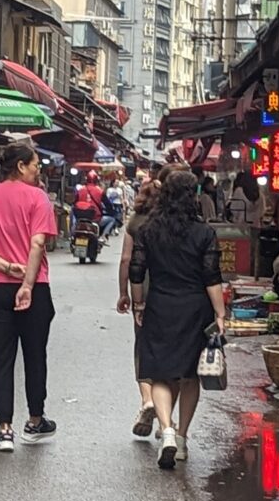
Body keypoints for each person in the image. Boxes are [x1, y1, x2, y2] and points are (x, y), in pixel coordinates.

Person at [129, 171, 227, 470]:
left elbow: (136, 270)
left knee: (160, 374)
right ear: (192, 195)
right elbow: (212, 277)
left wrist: (138, 304)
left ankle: (167, 430)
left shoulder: (148, 230)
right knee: (189, 375)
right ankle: (181, 438)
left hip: (160, 304)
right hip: (195, 308)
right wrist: (220, 314)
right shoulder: (204, 232)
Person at [0, 143, 59, 453]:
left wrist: (5, 267)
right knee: (35, 356)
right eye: (35, 164)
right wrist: (27, 285)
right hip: (34, 286)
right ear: (21, 166)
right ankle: (35, 422)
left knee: (1, 359)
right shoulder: (38, 198)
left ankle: (4, 429)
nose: (38, 170)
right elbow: (37, 245)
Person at [117, 181, 162, 438]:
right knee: (168, 348)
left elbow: (126, 259)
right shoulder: (170, 221)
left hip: (140, 287)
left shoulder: (136, 222)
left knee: (143, 346)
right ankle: (167, 417)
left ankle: (147, 400)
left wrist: (124, 293)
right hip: (169, 288)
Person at [74, 170, 117, 239]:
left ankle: (71, 235)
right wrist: (111, 211)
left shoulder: (80, 190)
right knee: (112, 220)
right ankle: (103, 237)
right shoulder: (100, 191)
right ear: (96, 180)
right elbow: (108, 204)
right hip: (95, 218)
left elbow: (75, 202)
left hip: (79, 217)